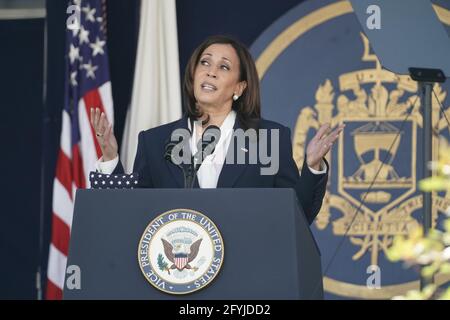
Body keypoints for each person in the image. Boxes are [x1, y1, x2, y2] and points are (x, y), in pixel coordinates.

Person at [90, 35, 344, 224]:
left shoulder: (268, 140)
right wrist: (111, 158)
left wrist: (312, 166)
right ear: (193, 75)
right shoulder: (155, 141)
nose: (210, 72)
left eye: (223, 67)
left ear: (239, 88)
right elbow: (133, 215)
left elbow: (296, 217)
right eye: (205, 63)